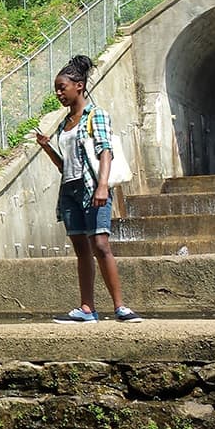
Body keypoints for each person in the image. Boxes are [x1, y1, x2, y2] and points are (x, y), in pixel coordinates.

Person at [33, 55, 142, 324]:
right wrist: (47, 147)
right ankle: (87, 309)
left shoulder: (96, 115)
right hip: (69, 191)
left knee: (101, 245)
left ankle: (120, 307)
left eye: (62, 88)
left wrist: (103, 186)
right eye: (57, 89)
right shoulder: (64, 124)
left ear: (79, 86)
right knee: (82, 250)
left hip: (93, 187)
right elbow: (65, 166)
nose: (59, 93)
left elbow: (106, 151)